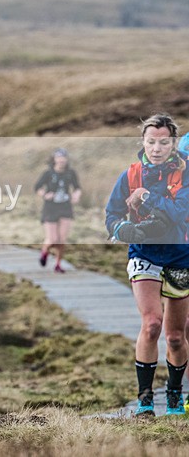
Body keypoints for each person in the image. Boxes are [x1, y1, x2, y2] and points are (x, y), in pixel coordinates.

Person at [105, 113, 189, 417]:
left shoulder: (185, 173)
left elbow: (180, 213)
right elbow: (111, 215)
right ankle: (144, 400)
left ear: (173, 143)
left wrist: (146, 196)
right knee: (152, 324)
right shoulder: (130, 175)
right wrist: (120, 230)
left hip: (180, 256)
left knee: (176, 336)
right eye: (151, 141)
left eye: (163, 142)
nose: (156, 148)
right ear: (143, 142)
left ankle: (175, 396)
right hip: (144, 254)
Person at [34, 148, 81, 273]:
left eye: (63, 157)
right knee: (53, 239)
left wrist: (76, 195)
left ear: (66, 159)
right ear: (54, 159)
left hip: (65, 207)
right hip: (50, 208)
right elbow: (37, 187)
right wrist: (44, 194)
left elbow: (77, 187)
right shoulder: (48, 173)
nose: (61, 160)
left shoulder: (71, 173)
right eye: (59, 158)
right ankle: (44, 251)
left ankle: (58, 264)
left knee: (62, 239)